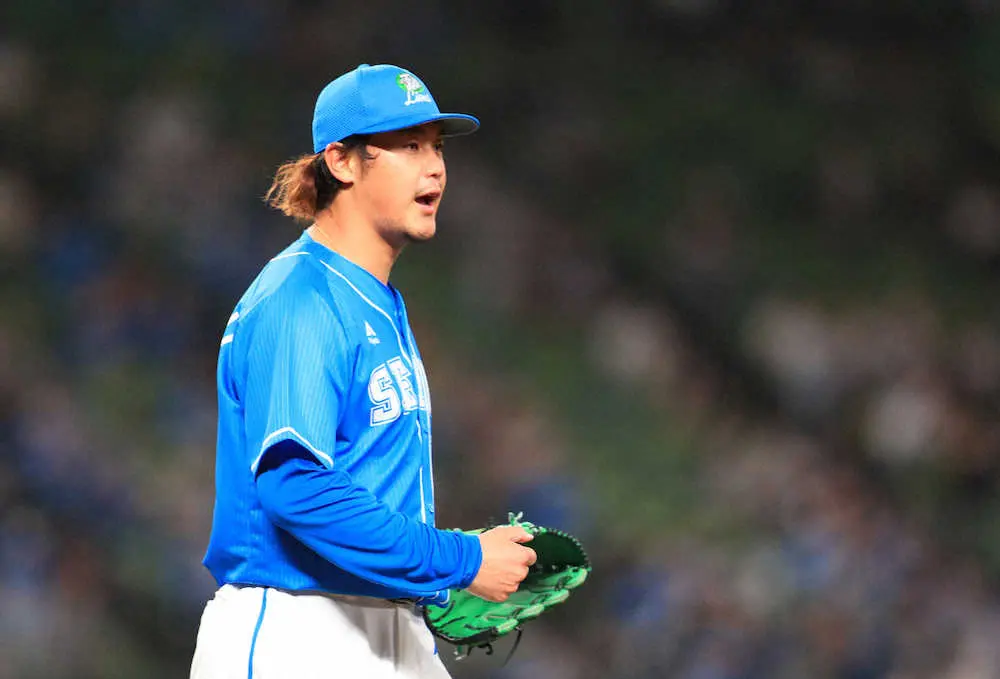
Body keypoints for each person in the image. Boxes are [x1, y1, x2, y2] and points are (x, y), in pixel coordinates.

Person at [189, 63, 537, 679]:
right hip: (296, 631)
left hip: (386, 626)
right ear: (342, 162)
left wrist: (435, 581)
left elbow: (363, 485)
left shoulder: (374, 301)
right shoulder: (302, 298)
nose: (435, 167)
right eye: (409, 146)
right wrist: (459, 559)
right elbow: (295, 486)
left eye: (437, 146)